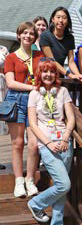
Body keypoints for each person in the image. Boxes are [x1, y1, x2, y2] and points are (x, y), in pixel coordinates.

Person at [27, 59, 74, 225]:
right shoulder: (34, 94)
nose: (48, 75)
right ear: (40, 74)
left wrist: (65, 138)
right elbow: (33, 123)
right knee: (64, 184)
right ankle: (36, 203)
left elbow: (70, 118)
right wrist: (47, 143)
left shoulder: (62, 91)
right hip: (47, 144)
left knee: (61, 187)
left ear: (56, 74)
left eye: (52, 72)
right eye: (44, 71)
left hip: (64, 142)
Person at [4, 22, 43, 197]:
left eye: (31, 33)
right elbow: (10, 83)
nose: (28, 36)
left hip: (34, 101)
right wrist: (32, 88)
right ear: (19, 35)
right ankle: (19, 181)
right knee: (18, 143)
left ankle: (30, 179)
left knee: (34, 145)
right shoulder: (11, 57)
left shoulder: (39, 55)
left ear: (35, 37)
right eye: (24, 33)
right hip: (16, 99)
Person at [39, 7, 82, 81]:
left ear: (68, 21)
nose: (61, 20)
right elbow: (51, 61)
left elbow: (71, 62)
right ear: (53, 19)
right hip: (45, 75)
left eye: (64, 18)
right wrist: (69, 75)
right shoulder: (45, 36)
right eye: (58, 17)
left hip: (60, 76)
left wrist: (78, 75)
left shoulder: (70, 38)